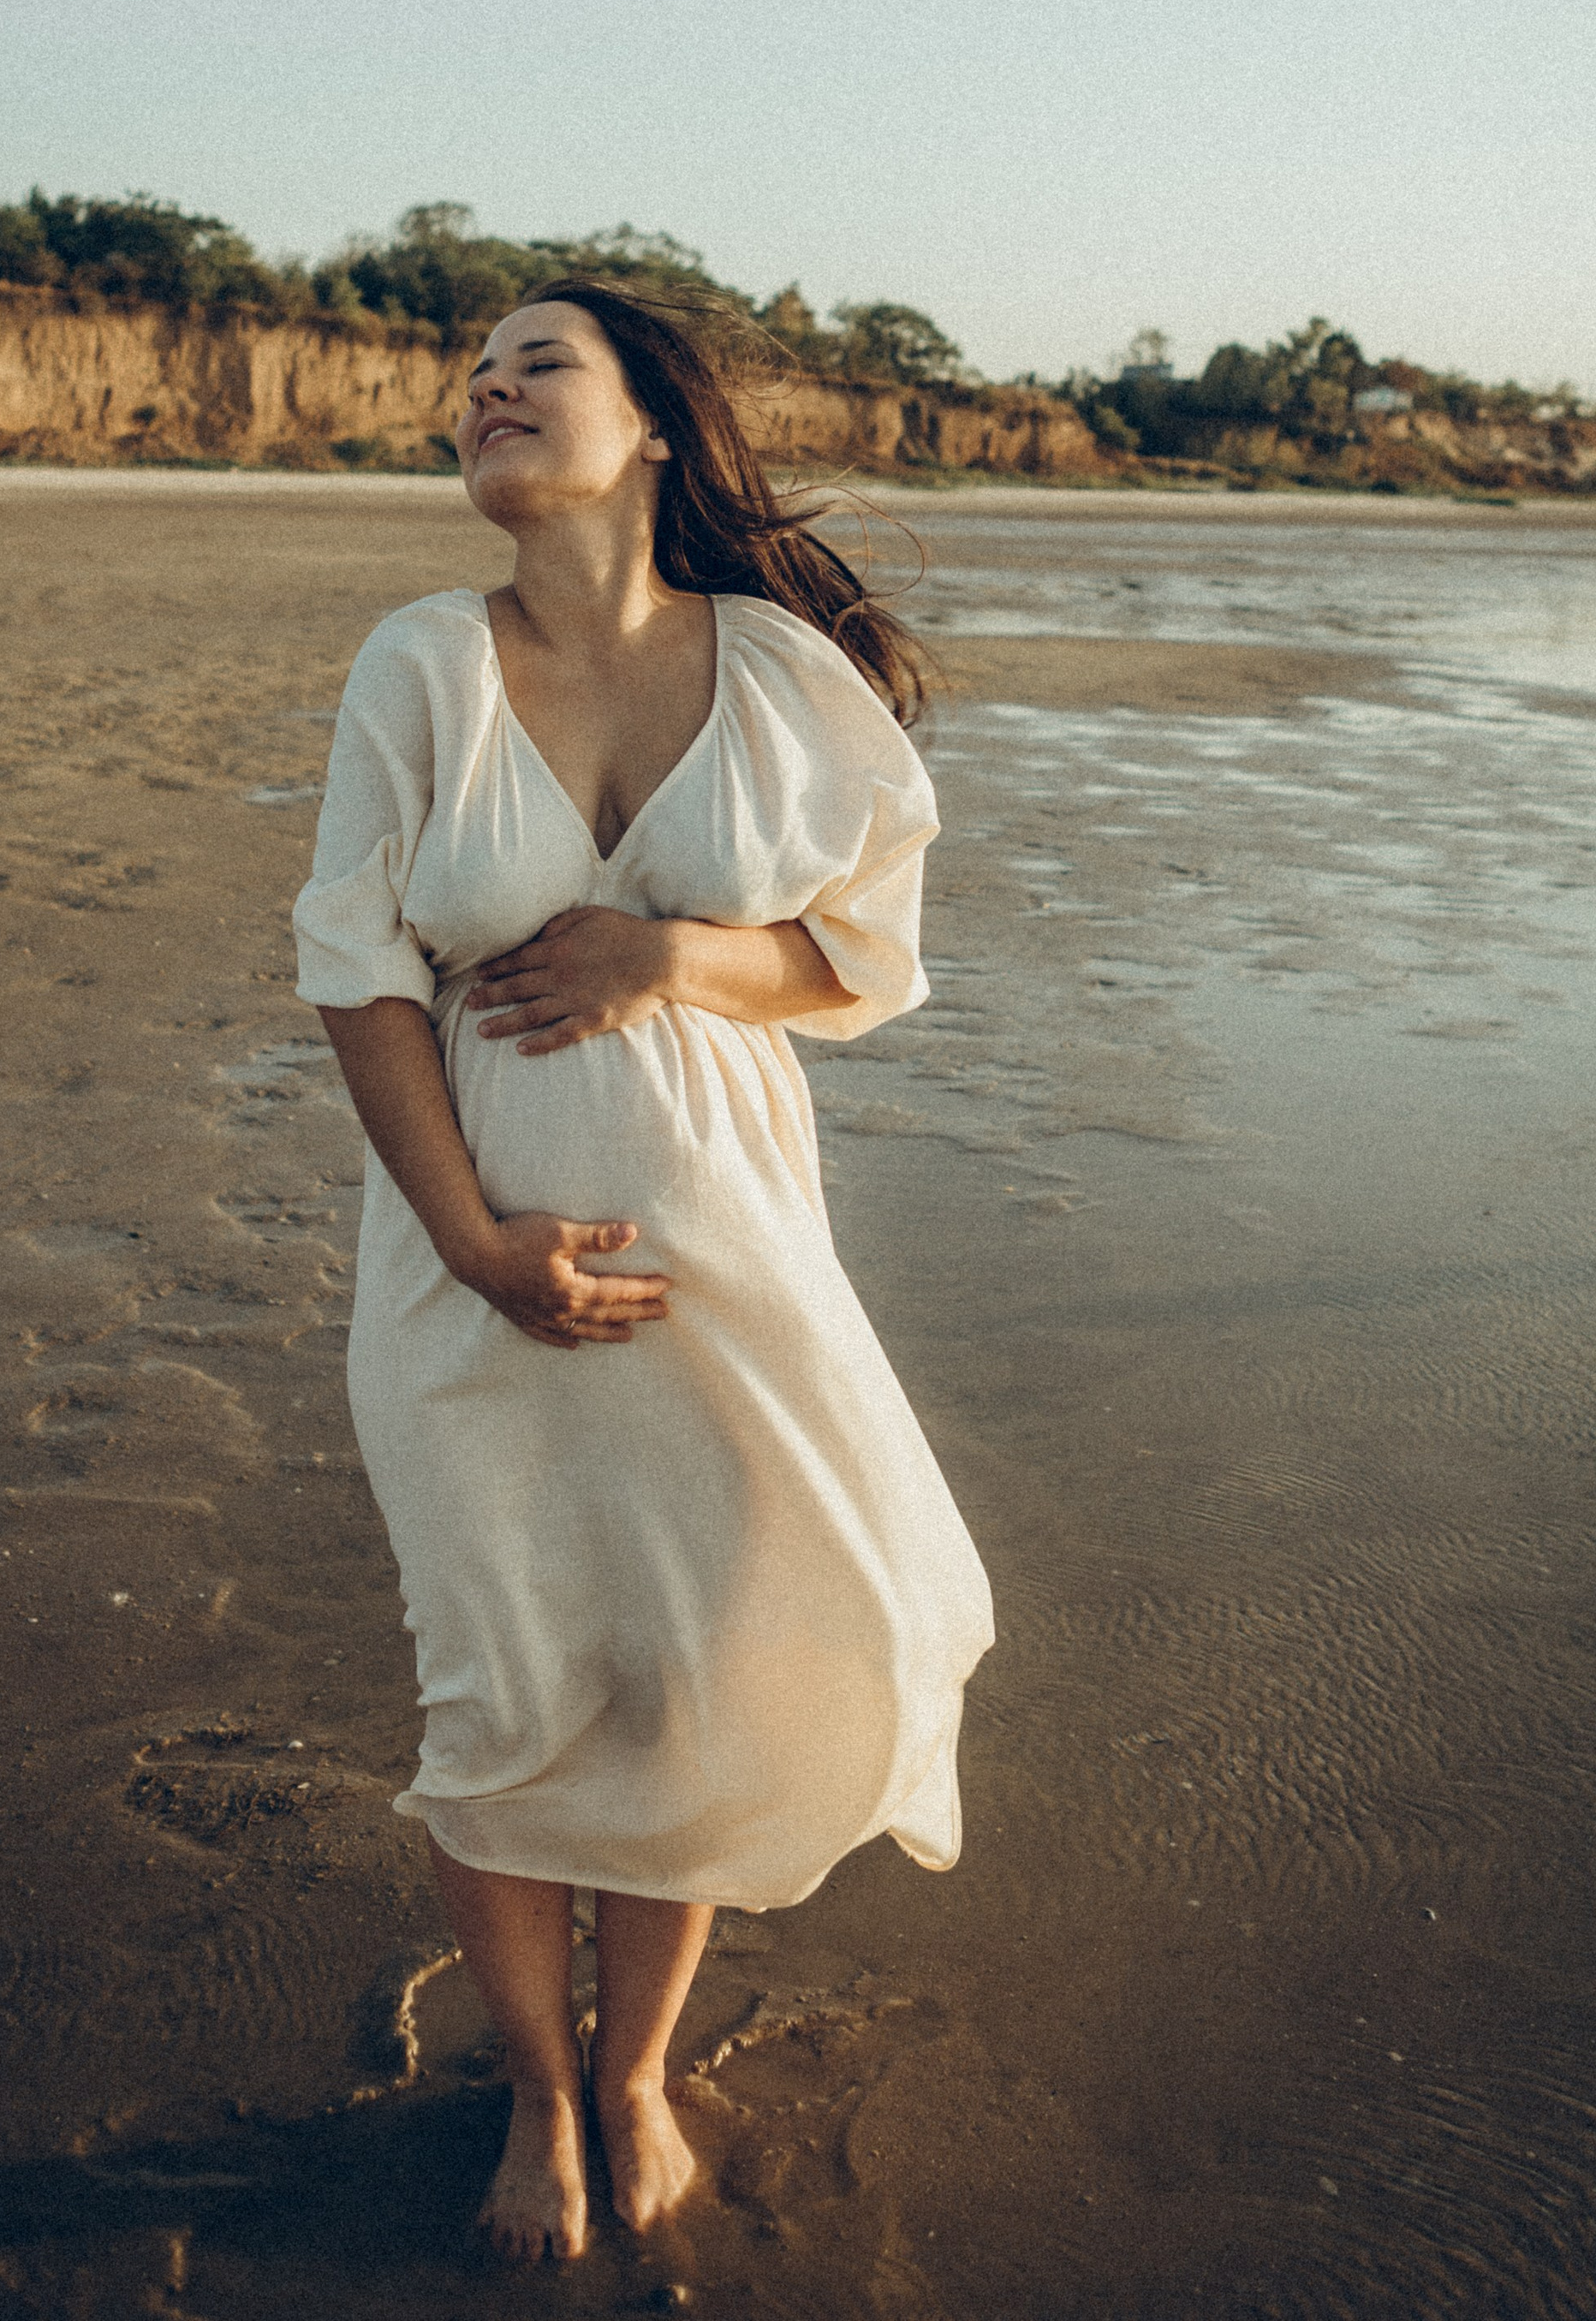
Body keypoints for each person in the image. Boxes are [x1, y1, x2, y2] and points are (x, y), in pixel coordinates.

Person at [294, 278, 993, 2263]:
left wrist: (663, 954)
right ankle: (535, 2080)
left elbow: (861, 959)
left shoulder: (775, 671)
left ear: (654, 429)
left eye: (539, 364)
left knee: (704, 1662)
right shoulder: (421, 663)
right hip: (467, 1260)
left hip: (730, 1261)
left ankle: (632, 2068)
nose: (484, 391)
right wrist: (471, 1246)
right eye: (471, 374)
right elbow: (351, 965)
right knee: (500, 1680)